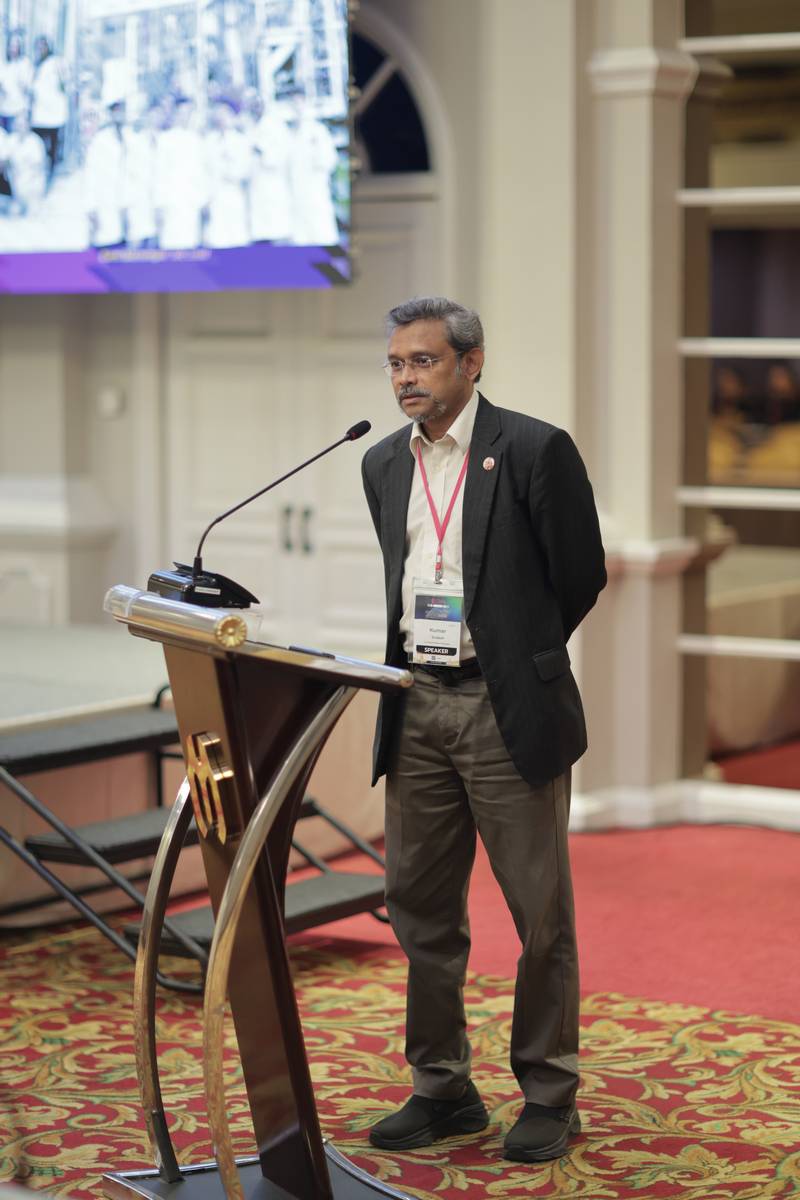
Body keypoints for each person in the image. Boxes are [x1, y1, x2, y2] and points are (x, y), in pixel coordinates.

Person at [361, 296, 606, 1163]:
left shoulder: (534, 448)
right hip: (415, 703)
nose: (406, 379)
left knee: (539, 913)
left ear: (471, 363)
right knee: (418, 905)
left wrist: (517, 656)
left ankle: (549, 1092)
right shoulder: (383, 462)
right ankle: (443, 1088)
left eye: (423, 361)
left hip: (504, 707)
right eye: (396, 364)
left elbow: (580, 573)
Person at [155, 97, 206, 250]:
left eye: (189, 113)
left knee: (191, 245)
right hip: (171, 202)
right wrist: (159, 204)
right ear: (175, 113)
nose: (185, 116)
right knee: (172, 245)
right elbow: (159, 173)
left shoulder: (196, 139)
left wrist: (202, 200)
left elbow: (200, 173)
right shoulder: (164, 139)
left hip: (191, 202)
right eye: (182, 112)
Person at [287, 93, 338, 245]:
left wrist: (316, 151)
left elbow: (329, 160)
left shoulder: (318, 131)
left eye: (300, 103)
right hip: (297, 193)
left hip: (315, 190)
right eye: (293, 104)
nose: (297, 107)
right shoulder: (291, 133)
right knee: (301, 237)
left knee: (321, 232)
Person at [204, 99, 251, 248]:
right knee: (217, 238)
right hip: (215, 195)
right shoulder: (209, 140)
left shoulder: (241, 140)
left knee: (236, 237)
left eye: (225, 113)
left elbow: (245, 170)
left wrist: (230, 167)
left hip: (234, 193)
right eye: (219, 113)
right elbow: (205, 170)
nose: (222, 117)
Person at [84, 101, 130, 247]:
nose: (120, 116)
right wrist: (91, 206)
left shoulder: (128, 136)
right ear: (110, 114)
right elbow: (91, 174)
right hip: (104, 204)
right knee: (104, 243)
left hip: (124, 206)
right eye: (116, 112)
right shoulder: (100, 140)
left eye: (122, 112)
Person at [248, 92, 293, 242]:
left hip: (273, 184)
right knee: (261, 234)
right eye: (253, 105)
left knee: (277, 231)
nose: (256, 107)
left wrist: (261, 151)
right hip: (257, 186)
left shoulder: (276, 126)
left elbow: (281, 156)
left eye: (258, 104)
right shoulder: (251, 127)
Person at [30, 36, 68, 182]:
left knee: (52, 147)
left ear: (48, 47)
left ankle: (50, 175)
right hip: (39, 114)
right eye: (38, 47)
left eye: (43, 46)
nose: (41, 49)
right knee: (38, 145)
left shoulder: (57, 62)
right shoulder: (36, 64)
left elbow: (64, 83)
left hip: (54, 114)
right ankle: (39, 173)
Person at [5, 109, 46, 215]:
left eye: (23, 124)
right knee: (13, 213)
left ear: (28, 125)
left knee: (32, 214)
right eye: (18, 124)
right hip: (15, 181)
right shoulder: (10, 140)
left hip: (32, 182)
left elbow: (38, 167)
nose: (20, 127)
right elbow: (7, 160)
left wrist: (25, 177)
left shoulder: (36, 142)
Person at [0, 31, 34, 133]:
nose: (13, 49)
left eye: (16, 46)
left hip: (19, 110)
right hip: (3, 109)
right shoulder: (3, 64)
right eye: (11, 46)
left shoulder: (25, 63)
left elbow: (27, 87)